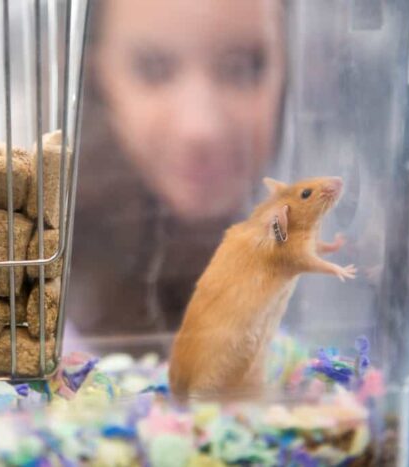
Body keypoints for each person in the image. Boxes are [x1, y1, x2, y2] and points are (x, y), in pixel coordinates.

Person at [64, 0, 287, 353]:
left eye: (241, 68)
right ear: (94, 75)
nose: (199, 129)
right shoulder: (43, 288)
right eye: (154, 69)